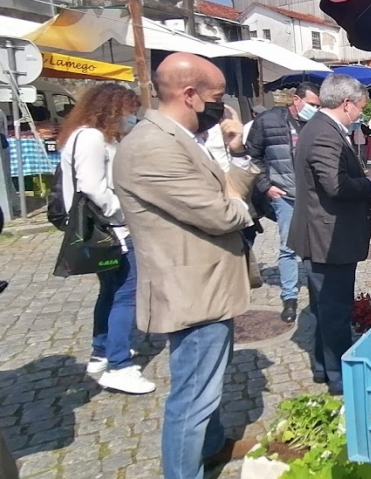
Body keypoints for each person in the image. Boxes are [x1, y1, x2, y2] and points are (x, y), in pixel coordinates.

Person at [113, 53, 260, 478]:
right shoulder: (152, 147)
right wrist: (235, 201)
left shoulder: (179, 139)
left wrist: (238, 155)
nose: (221, 108)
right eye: (216, 98)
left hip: (207, 286)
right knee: (192, 396)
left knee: (206, 387)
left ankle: (212, 447)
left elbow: (223, 193)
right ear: (190, 95)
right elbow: (224, 214)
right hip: (191, 291)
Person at [289, 74, 371, 395]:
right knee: (335, 311)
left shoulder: (322, 129)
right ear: (346, 104)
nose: (360, 116)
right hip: (328, 239)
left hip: (326, 235)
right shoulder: (325, 134)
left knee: (325, 308)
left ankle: (321, 367)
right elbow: (337, 186)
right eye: (360, 109)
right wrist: (370, 183)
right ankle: (339, 378)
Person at [58, 83, 153, 394]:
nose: (131, 117)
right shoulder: (91, 137)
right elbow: (92, 187)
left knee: (111, 291)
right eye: (129, 111)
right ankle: (119, 364)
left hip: (106, 229)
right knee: (126, 293)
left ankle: (102, 351)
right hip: (111, 229)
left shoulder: (87, 135)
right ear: (113, 108)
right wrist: (122, 214)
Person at [246, 82, 322, 324]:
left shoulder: (317, 123)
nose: (314, 109)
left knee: (315, 247)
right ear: (296, 100)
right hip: (285, 195)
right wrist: (266, 186)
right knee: (288, 247)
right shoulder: (268, 121)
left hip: (312, 195)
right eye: (311, 104)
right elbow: (252, 156)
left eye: (318, 105)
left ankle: (317, 295)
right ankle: (289, 297)